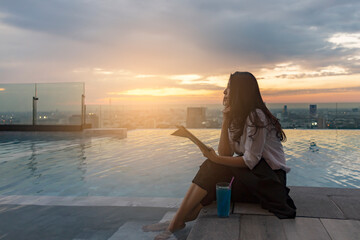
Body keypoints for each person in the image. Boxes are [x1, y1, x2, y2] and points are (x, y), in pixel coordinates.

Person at [144, 72, 296, 240]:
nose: (224, 92)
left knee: (213, 166)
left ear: (239, 91)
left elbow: (250, 161)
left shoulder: (256, 115)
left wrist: (215, 159)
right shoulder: (238, 117)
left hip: (269, 181)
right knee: (213, 171)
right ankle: (177, 221)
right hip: (254, 176)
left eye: (229, 88)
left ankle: (173, 225)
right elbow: (226, 153)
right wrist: (226, 119)